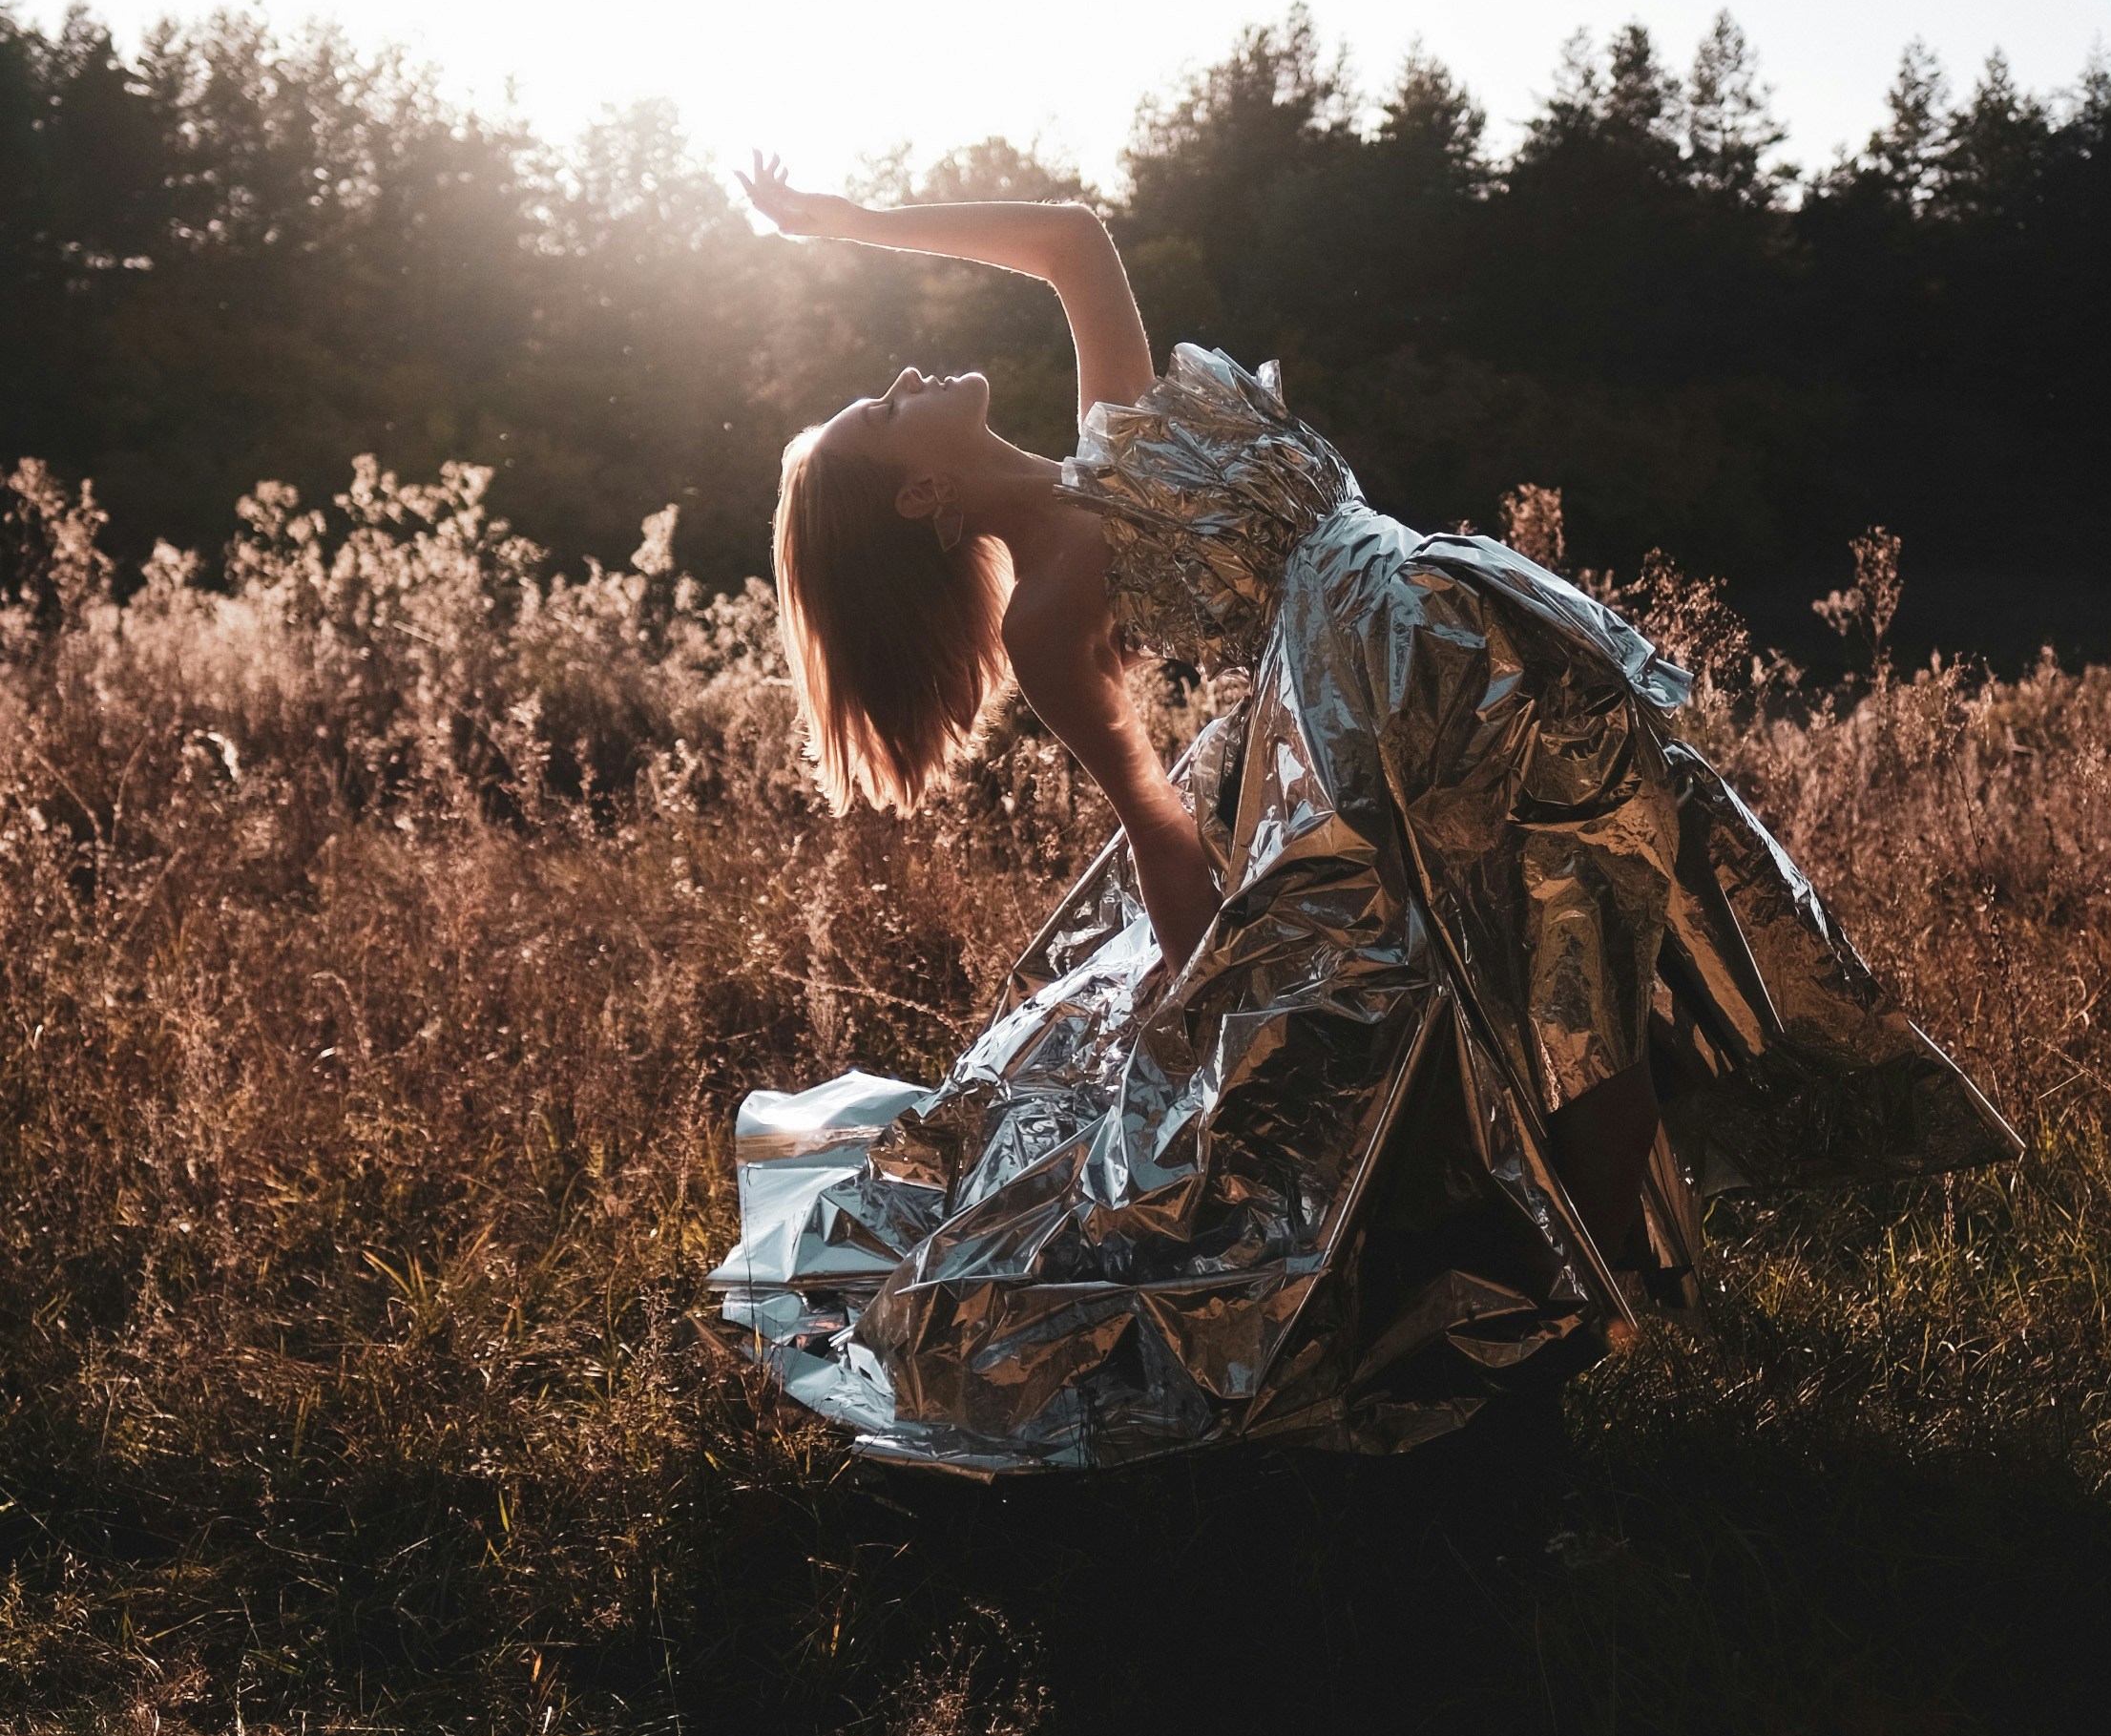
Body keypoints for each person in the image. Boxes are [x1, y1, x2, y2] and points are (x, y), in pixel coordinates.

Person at [716, 159, 2017, 1477]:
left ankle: (1566, 1349)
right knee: (1553, 1005)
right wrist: (1209, 1028)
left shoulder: (1116, 431)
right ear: (920, 499)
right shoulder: (1045, 612)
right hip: (1388, 718)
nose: (906, 376)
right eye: (886, 414)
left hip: (1468, 619)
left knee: (1596, 956)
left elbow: (1071, 235)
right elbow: (1160, 824)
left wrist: (843, 222)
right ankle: (1559, 1367)